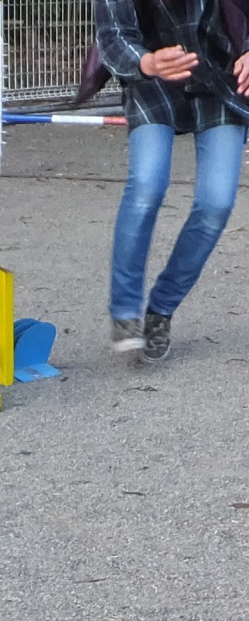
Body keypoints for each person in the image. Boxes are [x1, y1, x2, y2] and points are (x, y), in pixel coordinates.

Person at [94, 0, 249, 362]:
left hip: (221, 78)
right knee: (147, 186)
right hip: (153, 79)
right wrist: (144, 62)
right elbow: (112, 35)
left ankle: (161, 310)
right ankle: (125, 312)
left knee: (216, 203)